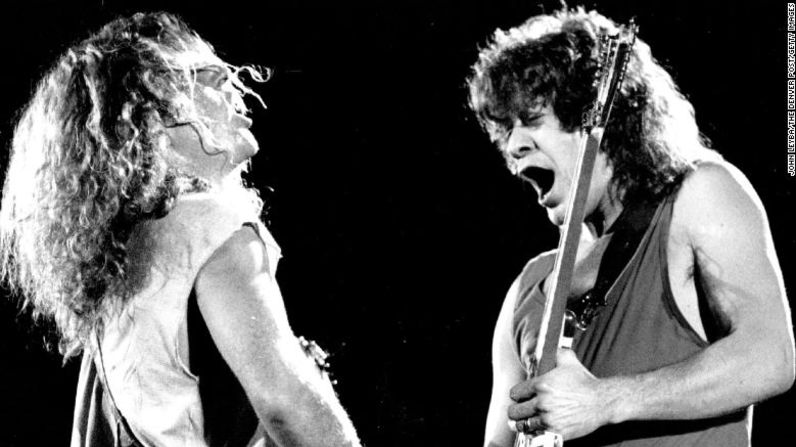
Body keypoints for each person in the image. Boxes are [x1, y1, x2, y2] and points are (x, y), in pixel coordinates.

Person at [0, 12, 361, 447]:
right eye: (210, 77)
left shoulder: (123, 256)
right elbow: (285, 406)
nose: (238, 87)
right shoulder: (210, 222)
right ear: (151, 112)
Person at [467, 7, 795, 447]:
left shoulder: (699, 195)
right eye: (505, 129)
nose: (513, 144)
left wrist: (604, 401)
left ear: (595, 119)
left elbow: (769, 357)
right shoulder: (527, 288)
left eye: (530, 120)